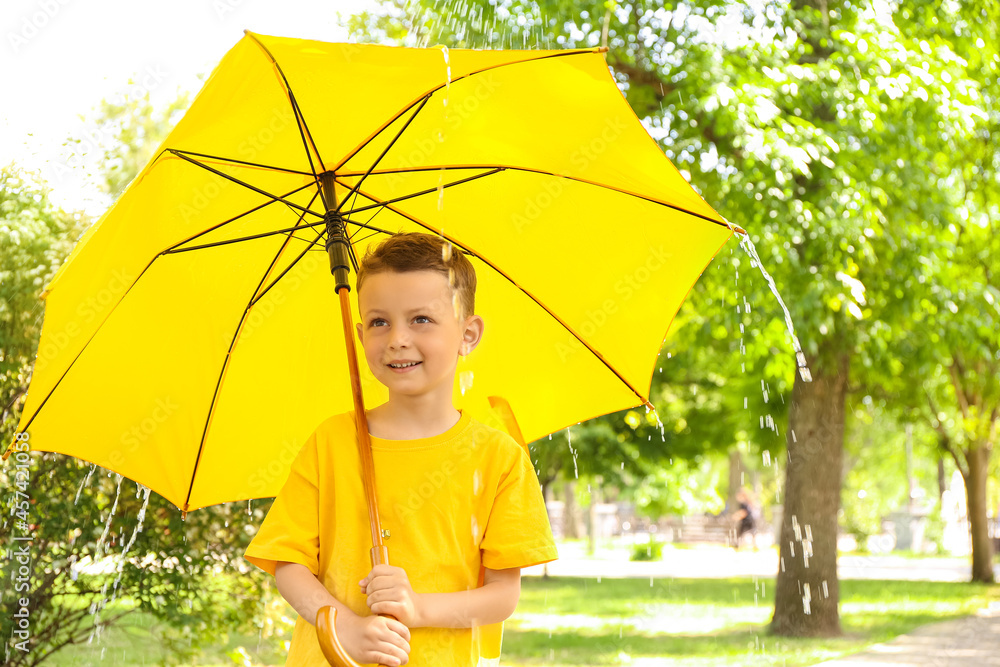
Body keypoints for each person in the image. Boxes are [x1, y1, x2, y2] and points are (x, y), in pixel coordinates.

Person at [243, 232, 558, 666]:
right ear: (359, 333)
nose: (396, 339)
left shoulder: (498, 457)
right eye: (379, 322)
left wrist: (418, 608)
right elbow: (288, 563)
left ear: (468, 334)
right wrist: (342, 625)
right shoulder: (333, 442)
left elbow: (503, 594)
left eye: (421, 320)